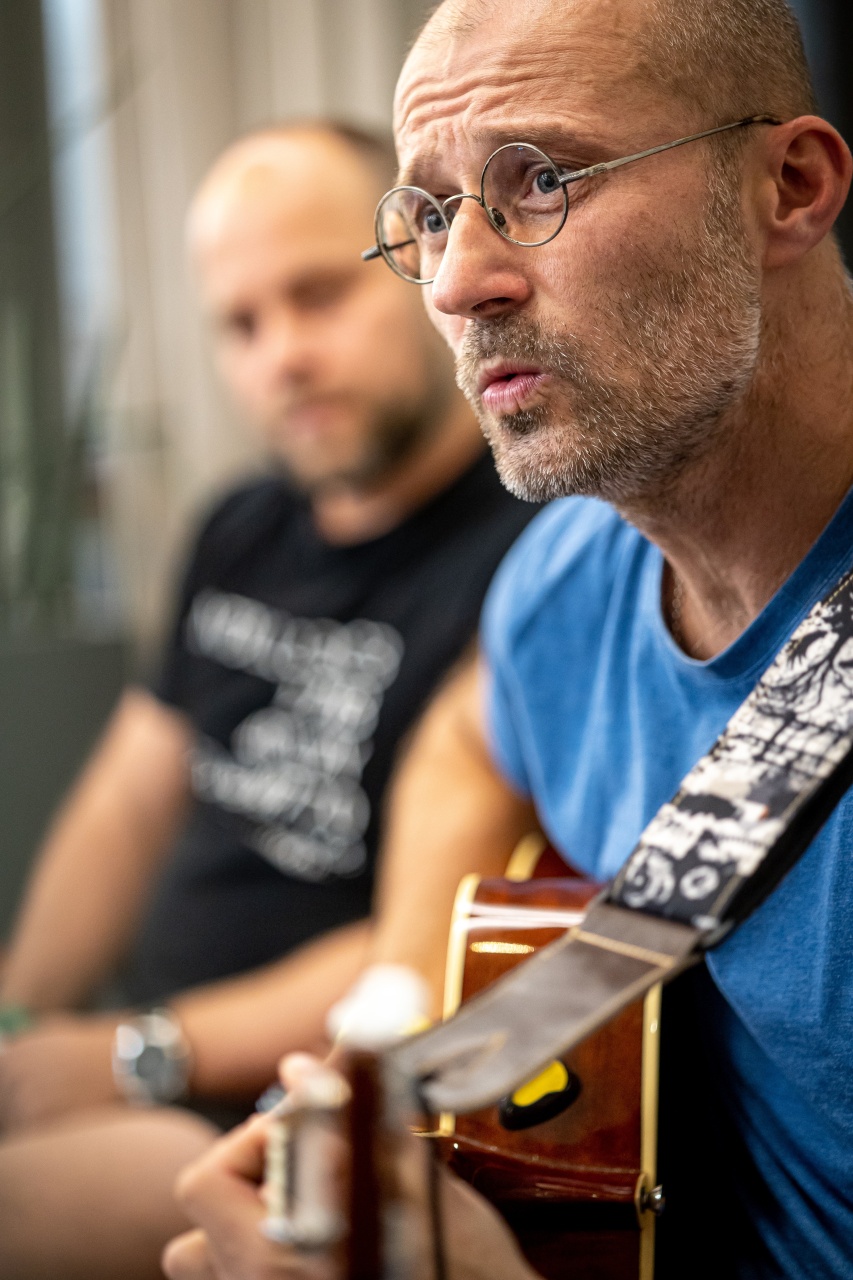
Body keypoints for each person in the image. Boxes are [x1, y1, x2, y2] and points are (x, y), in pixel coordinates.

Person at [162, 0, 853, 1277]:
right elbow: (469, 736)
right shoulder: (566, 578)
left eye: (542, 180)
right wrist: (409, 1062)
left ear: (789, 188)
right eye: (430, 215)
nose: (456, 283)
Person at [0, 121, 538, 1280]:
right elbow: (125, 804)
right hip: (137, 1051)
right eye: (241, 324)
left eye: (317, 296)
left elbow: (430, 930)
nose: (282, 355)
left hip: (291, 1110)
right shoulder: (238, 525)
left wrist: (137, 1053)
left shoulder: (534, 558)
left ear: (422, 258)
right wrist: (16, 1021)